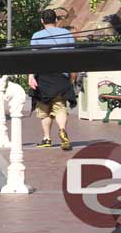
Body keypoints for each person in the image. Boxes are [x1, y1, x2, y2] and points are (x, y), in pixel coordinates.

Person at [29, 9, 76, 150]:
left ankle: (47, 138)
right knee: (60, 105)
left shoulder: (36, 35)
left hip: (43, 75)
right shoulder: (66, 33)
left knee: (44, 108)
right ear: (56, 20)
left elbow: (32, 58)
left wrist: (31, 76)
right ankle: (62, 130)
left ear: (42, 21)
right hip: (61, 75)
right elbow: (74, 55)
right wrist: (72, 73)